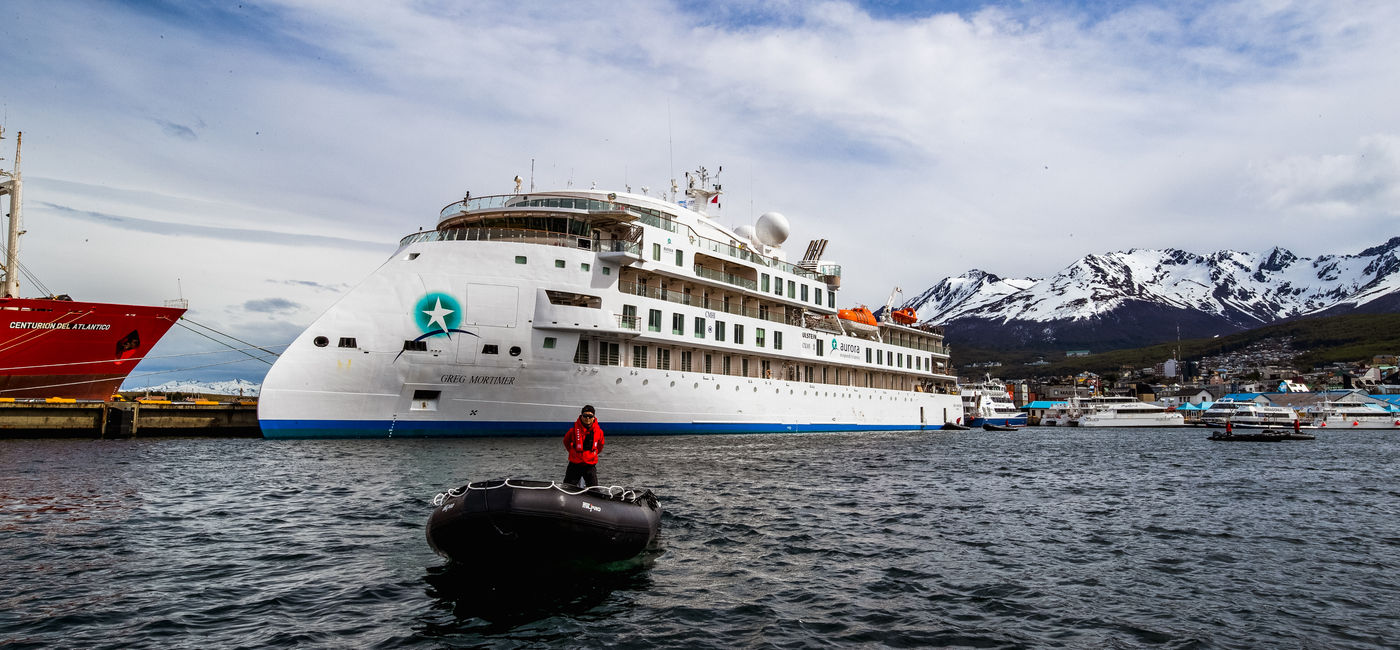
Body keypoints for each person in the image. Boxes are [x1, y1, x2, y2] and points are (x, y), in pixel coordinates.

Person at [563, 405, 605, 488]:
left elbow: (600, 445)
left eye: (590, 416)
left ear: (593, 417)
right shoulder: (573, 431)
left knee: (594, 490)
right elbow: (566, 441)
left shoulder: (599, 432)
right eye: (585, 416)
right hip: (575, 464)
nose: (587, 418)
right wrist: (573, 452)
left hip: (590, 465)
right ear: (581, 416)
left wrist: (592, 454)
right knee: (567, 488)